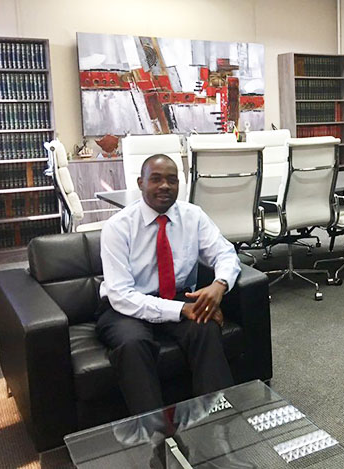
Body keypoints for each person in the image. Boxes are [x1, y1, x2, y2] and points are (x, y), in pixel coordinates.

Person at [98, 153, 241, 415]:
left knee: (205, 328)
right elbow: (120, 294)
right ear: (141, 183)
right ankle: (157, 435)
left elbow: (225, 254)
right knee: (132, 345)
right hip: (126, 307)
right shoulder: (118, 227)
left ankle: (219, 420)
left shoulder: (192, 216)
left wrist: (219, 284)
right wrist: (181, 310)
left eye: (172, 180)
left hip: (176, 296)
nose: (165, 186)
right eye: (156, 179)